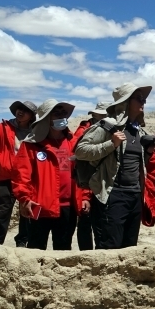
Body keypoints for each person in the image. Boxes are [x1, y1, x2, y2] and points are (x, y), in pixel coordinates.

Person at [75, 84, 155, 249]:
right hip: (113, 195)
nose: (143, 102)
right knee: (109, 247)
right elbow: (80, 151)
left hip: (135, 196)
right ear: (126, 102)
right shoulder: (107, 126)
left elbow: (136, 165)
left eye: (144, 99)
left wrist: (148, 152)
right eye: (139, 99)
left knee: (129, 248)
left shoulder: (139, 132)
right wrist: (111, 144)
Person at [12, 99, 78, 250]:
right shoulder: (31, 144)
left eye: (64, 113)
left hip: (67, 207)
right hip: (39, 206)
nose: (62, 116)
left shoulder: (73, 142)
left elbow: (82, 173)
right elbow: (21, 175)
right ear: (46, 118)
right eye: (56, 113)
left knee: (63, 250)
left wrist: (85, 197)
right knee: (36, 249)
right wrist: (25, 199)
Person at [0, 100, 36, 247]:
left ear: (31, 115)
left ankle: (22, 242)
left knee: (27, 211)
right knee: (2, 212)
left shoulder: (36, 131)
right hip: (7, 177)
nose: (20, 112)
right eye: (19, 109)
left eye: (25, 110)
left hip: (29, 178)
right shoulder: (2, 127)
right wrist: (6, 164)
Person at [71, 101, 109, 250]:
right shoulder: (83, 132)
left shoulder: (107, 130)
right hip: (86, 184)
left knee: (101, 222)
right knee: (85, 222)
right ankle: (86, 254)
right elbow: (80, 164)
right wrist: (85, 194)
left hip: (101, 183)